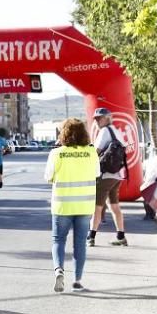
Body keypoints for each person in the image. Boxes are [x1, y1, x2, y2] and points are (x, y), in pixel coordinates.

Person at [45, 118, 100, 292]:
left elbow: (48, 177)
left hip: (62, 206)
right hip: (84, 206)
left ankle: (59, 270)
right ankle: (77, 281)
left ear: (64, 133)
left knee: (58, 240)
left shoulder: (57, 153)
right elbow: (97, 173)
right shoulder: (91, 152)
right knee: (80, 244)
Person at [88, 107, 128, 247]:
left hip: (105, 175)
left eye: (100, 118)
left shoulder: (104, 131)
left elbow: (95, 152)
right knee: (114, 206)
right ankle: (121, 236)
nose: (97, 121)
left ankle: (90, 237)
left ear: (107, 118)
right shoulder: (117, 131)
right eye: (96, 119)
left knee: (97, 207)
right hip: (117, 175)